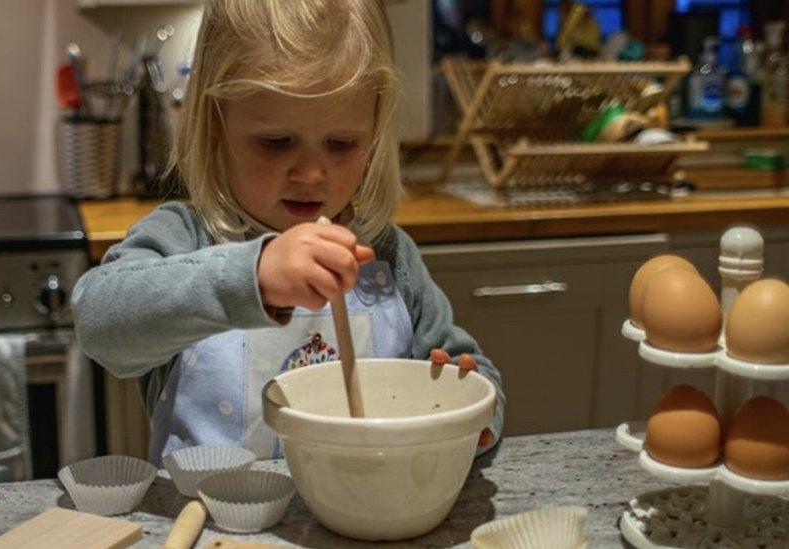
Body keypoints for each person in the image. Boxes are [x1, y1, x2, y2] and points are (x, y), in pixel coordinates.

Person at [71, 0, 504, 465]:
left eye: (341, 144)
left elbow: (476, 373)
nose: (311, 173)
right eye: (276, 143)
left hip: (361, 521)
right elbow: (100, 324)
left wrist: (473, 412)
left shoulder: (386, 255)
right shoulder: (188, 237)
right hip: (211, 527)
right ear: (217, 126)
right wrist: (251, 277)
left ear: (375, 136)